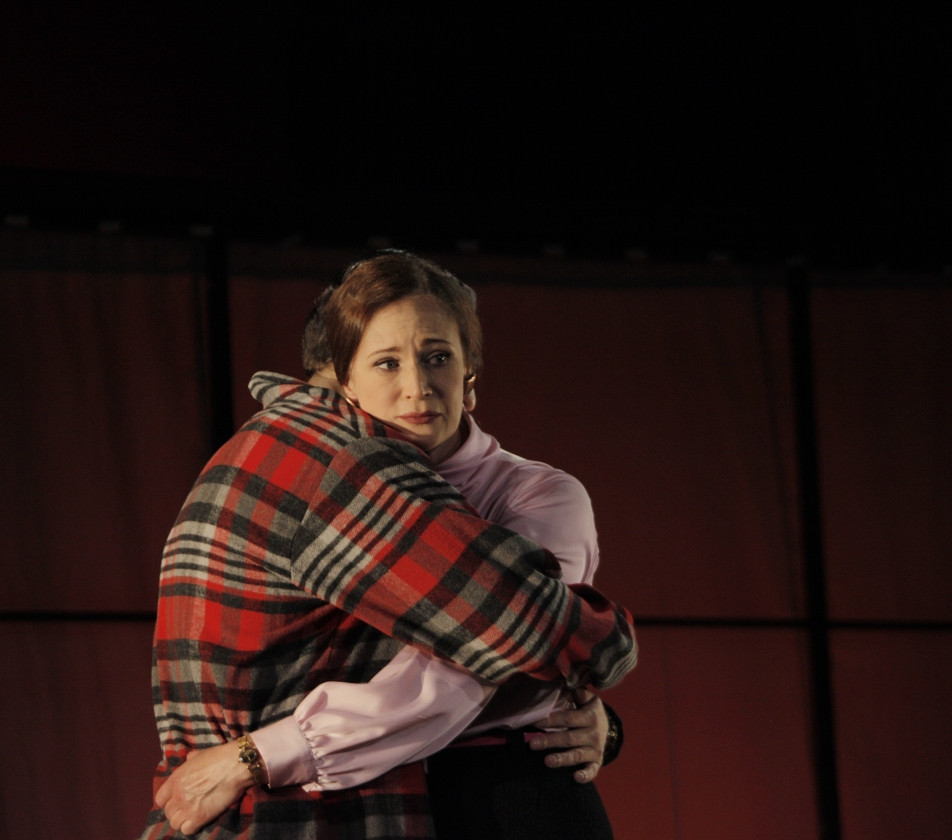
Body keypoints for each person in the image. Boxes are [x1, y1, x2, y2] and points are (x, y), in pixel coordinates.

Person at [137, 253, 638, 840]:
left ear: (470, 375)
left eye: (438, 358)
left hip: (506, 792)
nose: (417, 388)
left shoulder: (539, 493)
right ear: (345, 383)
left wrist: (257, 754)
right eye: (387, 363)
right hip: (377, 800)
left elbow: (486, 665)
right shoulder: (340, 476)